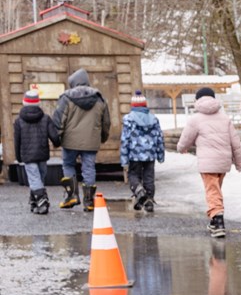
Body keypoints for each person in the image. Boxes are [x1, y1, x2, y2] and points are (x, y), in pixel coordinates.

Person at [176, 86, 241, 238]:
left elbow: (186, 138)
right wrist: (240, 162)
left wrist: (181, 148)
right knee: (215, 190)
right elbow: (236, 143)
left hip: (207, 163)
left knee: (212, 191)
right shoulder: (225, 118)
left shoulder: (195, 119)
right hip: (223, 163)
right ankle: (214, 221)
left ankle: (218, 221)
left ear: (197, 100)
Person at [52, 67, 111, 210]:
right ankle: (89, 201)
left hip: (70, 141)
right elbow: (106, 122)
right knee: (89, 168)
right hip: (91, 141)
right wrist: (103, 138)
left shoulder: (66, 98)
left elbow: (59, 120)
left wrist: (57, 138)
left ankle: (71, 196)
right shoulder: (99, 98)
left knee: (68, 165)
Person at [119, 90, 165, 213]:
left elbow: (125, 139)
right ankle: (149, 201)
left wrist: (124, 159)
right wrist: (160, 155)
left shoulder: (128, 119)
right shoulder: (154, 119)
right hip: (150, 154)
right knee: (149, 177)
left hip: (134, 154)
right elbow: (159, 138)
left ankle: (139, 191)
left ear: (133, 105)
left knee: (133, 175)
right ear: (145, 105)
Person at [14, 86, 57, 214]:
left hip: (28, 155)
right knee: (39, 178)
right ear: (38, 103)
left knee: (35, 179)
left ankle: (41, 203)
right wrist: (57, 142)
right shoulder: (46, 118)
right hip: (42, 153)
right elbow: (54, 136)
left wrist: (18, 156)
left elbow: (17, 140)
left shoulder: (19, 121)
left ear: (24, 102)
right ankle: (35, 202)